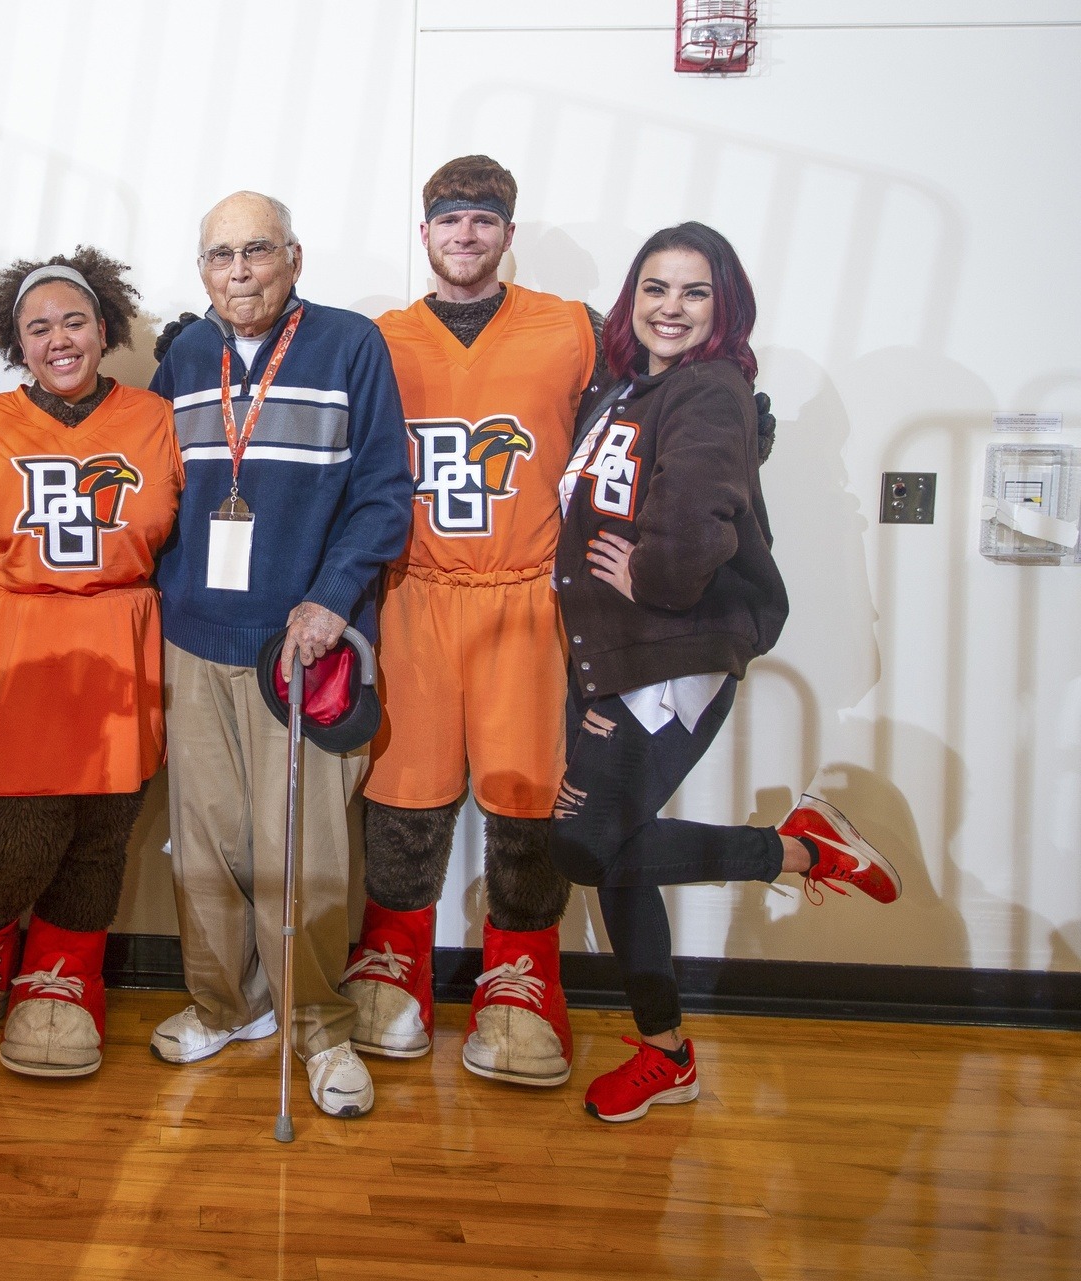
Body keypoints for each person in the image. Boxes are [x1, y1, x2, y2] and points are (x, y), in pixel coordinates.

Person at [550, 221, 902, 1124]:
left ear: (724, 306)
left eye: (694, 292)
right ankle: (667, 1052)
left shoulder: (708, 389)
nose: (671, 308)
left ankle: (798, 849)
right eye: (656, 289)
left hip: (668, 659)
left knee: (585, 845)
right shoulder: (628, 388)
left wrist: (658, 573)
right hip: (618, 656)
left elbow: (702, 512)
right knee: (620, 860)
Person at [147, 192, 412, 1118]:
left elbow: (384, 492)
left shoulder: (350, 345)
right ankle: (225, 1003)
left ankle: (321, 1027)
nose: (239, 270)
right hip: (193, 636)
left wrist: (331, 601)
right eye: (219, 255)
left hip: (297, 645)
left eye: (257, 250)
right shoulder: (182, 357)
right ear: (202, 270)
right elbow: (156, 489)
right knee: (208, 844)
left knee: (301, 850)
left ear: (294, 257)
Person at [344, 155, 606, 1083]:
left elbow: (644, 410)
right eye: (449, 219)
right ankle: (392, 958)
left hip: (527, 591)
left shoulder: (575, 329)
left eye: (483, 220)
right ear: (425, 234)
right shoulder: (378, 338)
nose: (466, 234)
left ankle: (522, 976)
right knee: (403, 791)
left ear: (507, 232)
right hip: (414, 590)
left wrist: (720, 411)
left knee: (527, 793)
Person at [0, 248, 181, 1079]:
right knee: (9, 824)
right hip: (17, 640)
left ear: (104, 328)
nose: (59, 340)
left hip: (119, 637)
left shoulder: (155, 418)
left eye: (74, 322)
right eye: (38, 328)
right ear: (16, 341)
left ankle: (64, 972)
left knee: (103, 828)